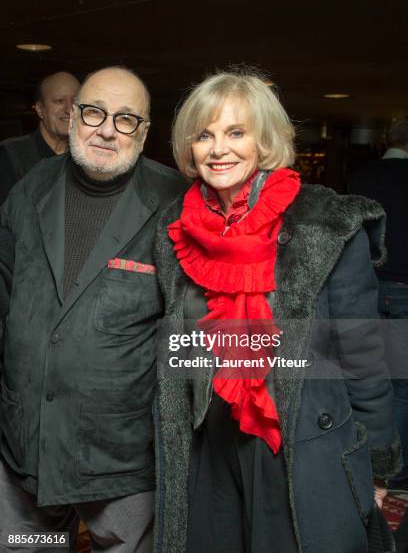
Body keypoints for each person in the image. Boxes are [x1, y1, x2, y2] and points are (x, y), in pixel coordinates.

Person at [153, 68, 402, 553]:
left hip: (301, 445)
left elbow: (364, 355)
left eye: (236, 133)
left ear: (265, 140)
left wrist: (373, 463)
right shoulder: (175, 227)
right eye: (204, 135)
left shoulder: (325, 223)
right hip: (209, 445)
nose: (218, 149)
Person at [0, 66, 186, 552]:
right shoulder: (30, 188)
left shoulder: (175, 206)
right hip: (23, 442)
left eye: (126, 119)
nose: (106, 129)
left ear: (144, 134)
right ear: (73, 116)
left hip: (121, 457)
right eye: (94, 112)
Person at [348, 117, 408, 490]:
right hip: (404, 289)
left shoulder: (360, 177)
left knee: (366, 377)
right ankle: (392, 471)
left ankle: (365, 464)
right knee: (401, 385)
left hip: (364, 287)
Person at [0, 71, 80, 204]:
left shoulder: (86, 156)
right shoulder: (10, 155)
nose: (69, 109)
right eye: (59, 101)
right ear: (40, 109)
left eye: (76, 101)